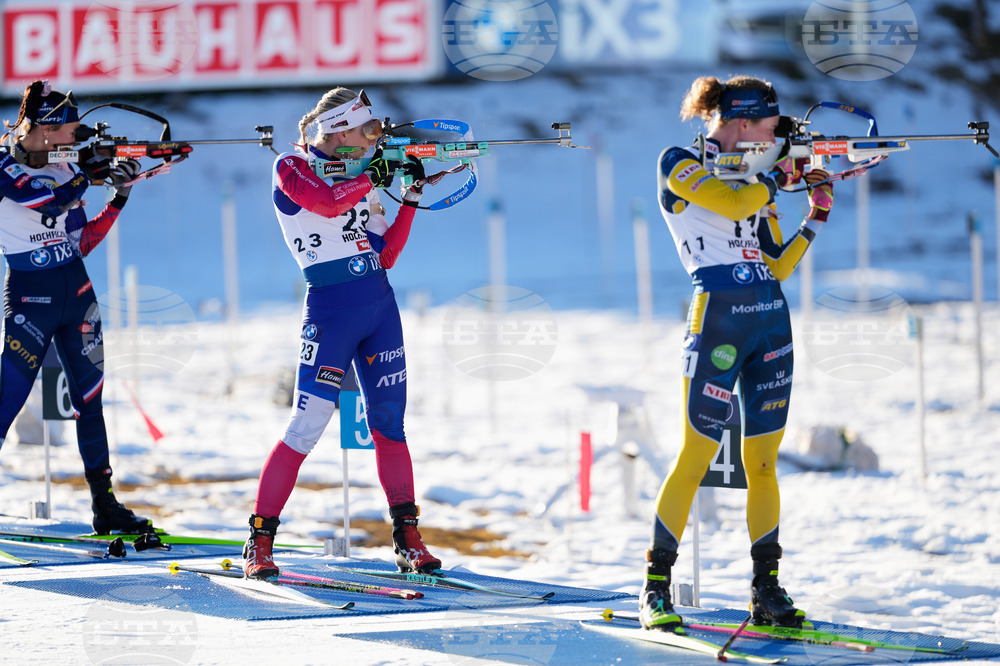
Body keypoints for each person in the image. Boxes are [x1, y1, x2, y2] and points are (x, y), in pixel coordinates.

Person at [640, 75, 834, 630]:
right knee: (696, 454)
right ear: (743, 121)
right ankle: (655, 588)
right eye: (772, 128)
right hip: (718, 314)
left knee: (764, 464)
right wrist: (777, 174)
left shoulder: (754, 177)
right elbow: (732, 200)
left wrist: (814, 215)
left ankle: (765, 589)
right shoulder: (679, 161)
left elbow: (776, 264)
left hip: (769, 318)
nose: (775, 137)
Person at [243, 87, 440, 579]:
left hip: (379, 306)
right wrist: (374, 173)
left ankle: (408, 538)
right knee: (306, 428)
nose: (374, 141)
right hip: (330, 311)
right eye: (366, 132)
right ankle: (260, 540)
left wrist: (410, 198)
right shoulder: (289, 165)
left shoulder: (363, 178)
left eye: (377, 133)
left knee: (389, 426)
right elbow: (325, 204)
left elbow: (384, 254)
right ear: (337, 130)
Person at [0, 80, 150, 534]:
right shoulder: (4, 164)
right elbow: (45, 202)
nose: (76, 139)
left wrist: (118, 197)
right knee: (8, 400)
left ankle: (104, 505)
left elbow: (80, 240)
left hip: (78, 296)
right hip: (31, 298)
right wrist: (89, 172)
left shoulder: (67, 166)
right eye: (69, 131)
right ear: (43, 129)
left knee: (91, 402)